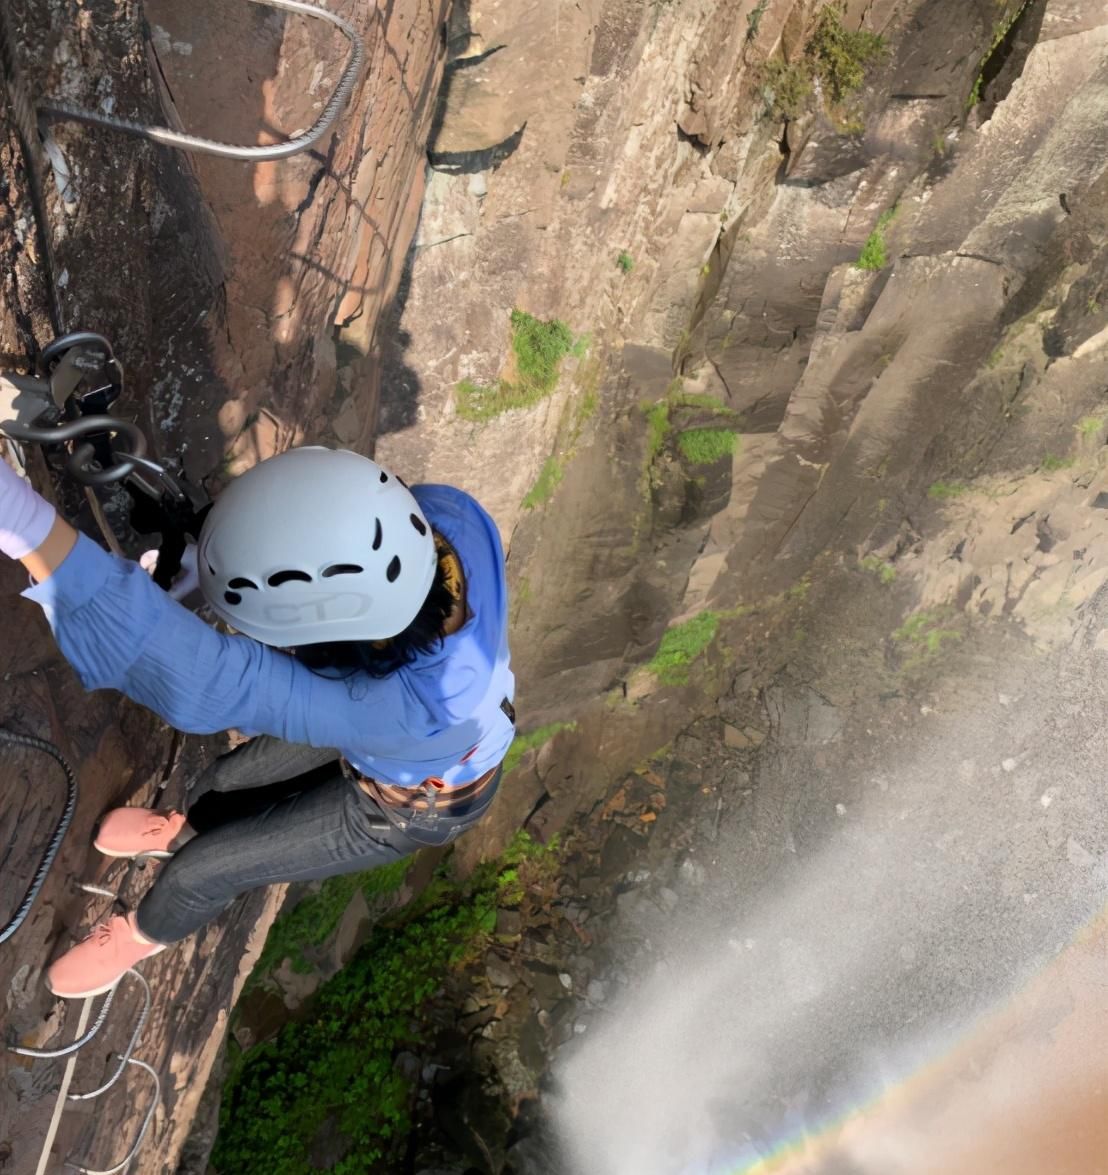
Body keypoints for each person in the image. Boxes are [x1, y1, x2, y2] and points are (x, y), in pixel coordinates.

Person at [0, 445, 514, 997]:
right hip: (430, 735)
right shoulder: (445, 517)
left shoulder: (398, 707)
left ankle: (141, 936)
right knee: (225, 781)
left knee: (207, 869)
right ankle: (180, 830)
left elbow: (212, 679)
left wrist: (27, 526)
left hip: (419, 804)